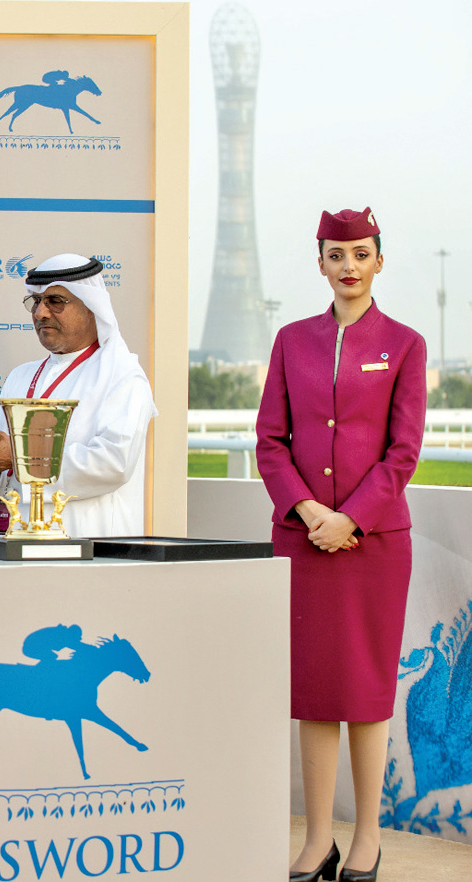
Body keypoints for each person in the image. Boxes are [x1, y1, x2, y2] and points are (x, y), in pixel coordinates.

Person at [256, 207, 425, 882]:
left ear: (379, 260)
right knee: (315, 689)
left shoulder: (405, 344)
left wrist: (350, 519)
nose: (348, 266)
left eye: (359, 254)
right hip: (303, 542)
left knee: (366, 691)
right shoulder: (291, 340)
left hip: (373, 544)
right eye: (335, 254)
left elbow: (403, 451)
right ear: (320, 262)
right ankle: (318, 837)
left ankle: (368, 839)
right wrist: (308, 511)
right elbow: (270, 441)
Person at [0, 254, 158, 537]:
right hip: (17, 542)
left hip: (92, 543)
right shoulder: (21, 376)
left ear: (91, 308)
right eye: (36, 301)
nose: (40, 313)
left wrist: (18, 459)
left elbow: (114, 463)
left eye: (55, 301)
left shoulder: (122, 375)